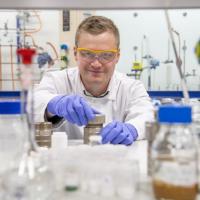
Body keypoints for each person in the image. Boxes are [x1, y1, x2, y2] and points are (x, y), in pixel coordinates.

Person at [33, 15, 154, 145]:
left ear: (117, 56)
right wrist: (53, 104)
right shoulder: (57, 80)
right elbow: (34, 104)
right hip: (65, 162)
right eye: (87, 54)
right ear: (75, 53)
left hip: (115, 161)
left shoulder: (131, 88)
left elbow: (147, 116)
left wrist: (132, 129)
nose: (96, 64)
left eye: (106, 55)